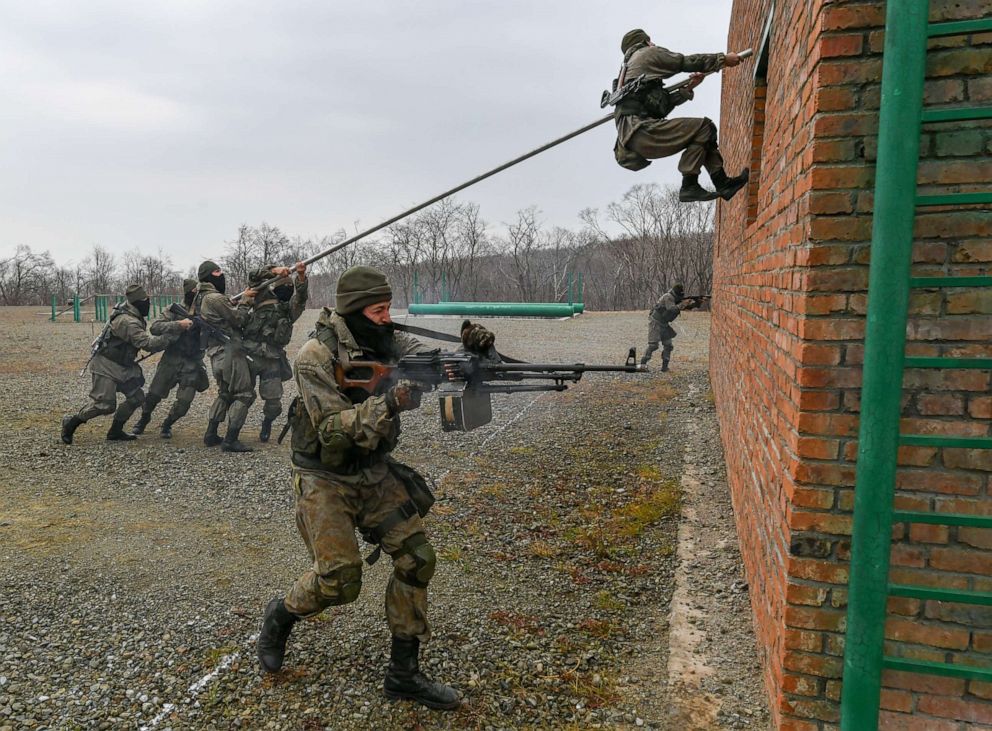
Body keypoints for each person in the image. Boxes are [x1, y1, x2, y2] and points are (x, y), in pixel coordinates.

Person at [255, 265, 495, 710]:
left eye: (389, 308)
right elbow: (331, 430)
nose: (387, 317)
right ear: (355, 310)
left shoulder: (384, 337)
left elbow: (423, 354)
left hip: (373, 469)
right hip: (324, 477)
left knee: (417, 560)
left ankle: (403, 674)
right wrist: (389, 402)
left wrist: (470, 355)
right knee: (340, 581)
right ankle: (280, 615)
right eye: (379, 309)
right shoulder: (313, 356)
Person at [612, 28, 750, 203]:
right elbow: (685, 62)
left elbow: (660, 109)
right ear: (645, 42)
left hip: (635, 139)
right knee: (704, 127)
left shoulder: (628, 73)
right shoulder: (646, 54)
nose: (653, 44)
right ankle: (690, 186)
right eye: (650, 41)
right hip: (642, 130)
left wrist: (688, 88)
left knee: (703, 133)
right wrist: (722, 60)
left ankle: (723, 183)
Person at [61, 284, 191, 444]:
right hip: (106, 365)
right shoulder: (127, 321)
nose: (147, 303)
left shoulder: (131, 312)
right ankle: (71, 422)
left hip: (124, 365)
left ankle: (115, 431)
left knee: (136, 398)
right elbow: (148, 343)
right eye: (145, 300)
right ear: (136, 301)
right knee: (105, 405)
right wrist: (177, 328)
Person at [193, 259, 269, 453]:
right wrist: (245, 302)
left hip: (215, 354)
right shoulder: (215, 298)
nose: (222, 275)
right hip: (230, 353)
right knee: (244, 394)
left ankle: (211, 434)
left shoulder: (201, 297)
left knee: (225, 393)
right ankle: (231, 440)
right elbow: (238, 320)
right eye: (218, 272)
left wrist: (236, 301)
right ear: (210, 276)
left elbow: (221, 314)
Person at [129, 279, 210, 438]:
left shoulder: (206, 311)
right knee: (154, 394)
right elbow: (155, 328)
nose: (195, 296)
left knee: (184, 403)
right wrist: (178, 325)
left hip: (193, 362)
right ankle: (144, 419)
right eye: (193, 292)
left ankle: (167, 424)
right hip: (171, 359)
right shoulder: (173, 310)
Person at [242, 261, 309, 442]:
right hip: (249, 355)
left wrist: (301, 277)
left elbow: (301, 298)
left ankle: (267, 423)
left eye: (290, 286)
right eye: (284, 285)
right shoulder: (262, 296)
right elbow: (253, 276)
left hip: (272, 358)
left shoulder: (289, 310)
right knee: (242, 396)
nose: (287, 288)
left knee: (274, 402)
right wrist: (273, 271)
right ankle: (231, 430)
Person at [641, 283, 698, 371]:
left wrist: (696, 303)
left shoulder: (675, 299)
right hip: (656, 322)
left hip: (664, 324)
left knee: (668, 345)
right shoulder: (668, 297)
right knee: (653, 345)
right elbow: (672, 309)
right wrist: (683, 303)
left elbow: (683, 308)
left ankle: (665, 367)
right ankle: (642, 364)